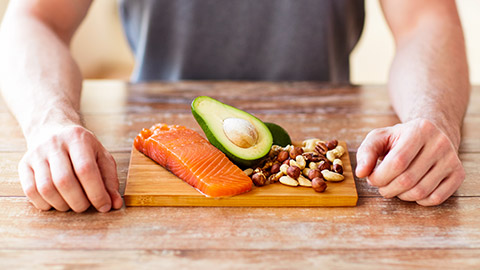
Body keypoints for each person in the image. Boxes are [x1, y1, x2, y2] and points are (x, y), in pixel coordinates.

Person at [0, 0, 469, 212]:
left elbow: (426, 18)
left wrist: (432, 119)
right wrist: (48, 123)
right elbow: (36, 17)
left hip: (321, 141)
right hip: (155, 153)